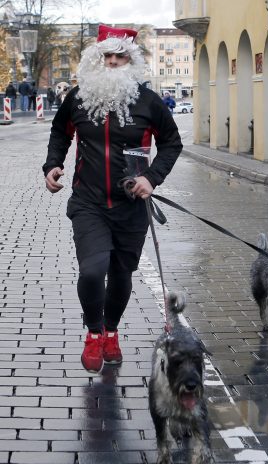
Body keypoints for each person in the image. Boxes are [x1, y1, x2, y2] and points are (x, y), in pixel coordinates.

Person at [42, 24, 183, 373]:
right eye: (108, 55)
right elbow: (60, 131)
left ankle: (111, 330)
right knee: (93, 271)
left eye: (121, 56)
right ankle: (94, 333)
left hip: (130, 206)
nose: (114, 62)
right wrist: (53, 165)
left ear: (132, 60)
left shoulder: (149, 102)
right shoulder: (78, 98)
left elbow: (171, 143)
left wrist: (151, 178)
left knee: (121, 274)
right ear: (97, 58)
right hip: (88, 203)